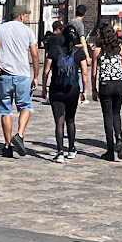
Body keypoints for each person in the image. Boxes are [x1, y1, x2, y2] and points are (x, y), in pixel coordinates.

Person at [0, 6, 40, 158]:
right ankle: (19, 135)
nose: (27, 18)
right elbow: (34, 54)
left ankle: (7, 146)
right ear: (20, 16)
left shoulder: (1, 28)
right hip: (22, 75)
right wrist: (36, 75)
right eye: (26, 16)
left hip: (4, 74)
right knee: (25, 106)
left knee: (5, 110)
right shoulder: (28, 31)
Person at [90, 20, 122, 160]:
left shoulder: (98, 50)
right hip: (119, 83)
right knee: (116, 113)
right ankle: (119, 140)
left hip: (106, 84)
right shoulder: (120, 47)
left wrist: (94, 89)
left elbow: (94, 72)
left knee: (107, 116)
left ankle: (110, 150)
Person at [45, 25, 86, 161]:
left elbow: (46, 71)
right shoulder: (79, 52)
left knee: (59, 121)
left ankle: (60, 152)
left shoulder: (54, 51)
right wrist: (84, 90)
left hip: (56, 89)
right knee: (71, 119)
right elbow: (84, 73)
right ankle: (72, 148)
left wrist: (44, 87)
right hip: (72, 89)